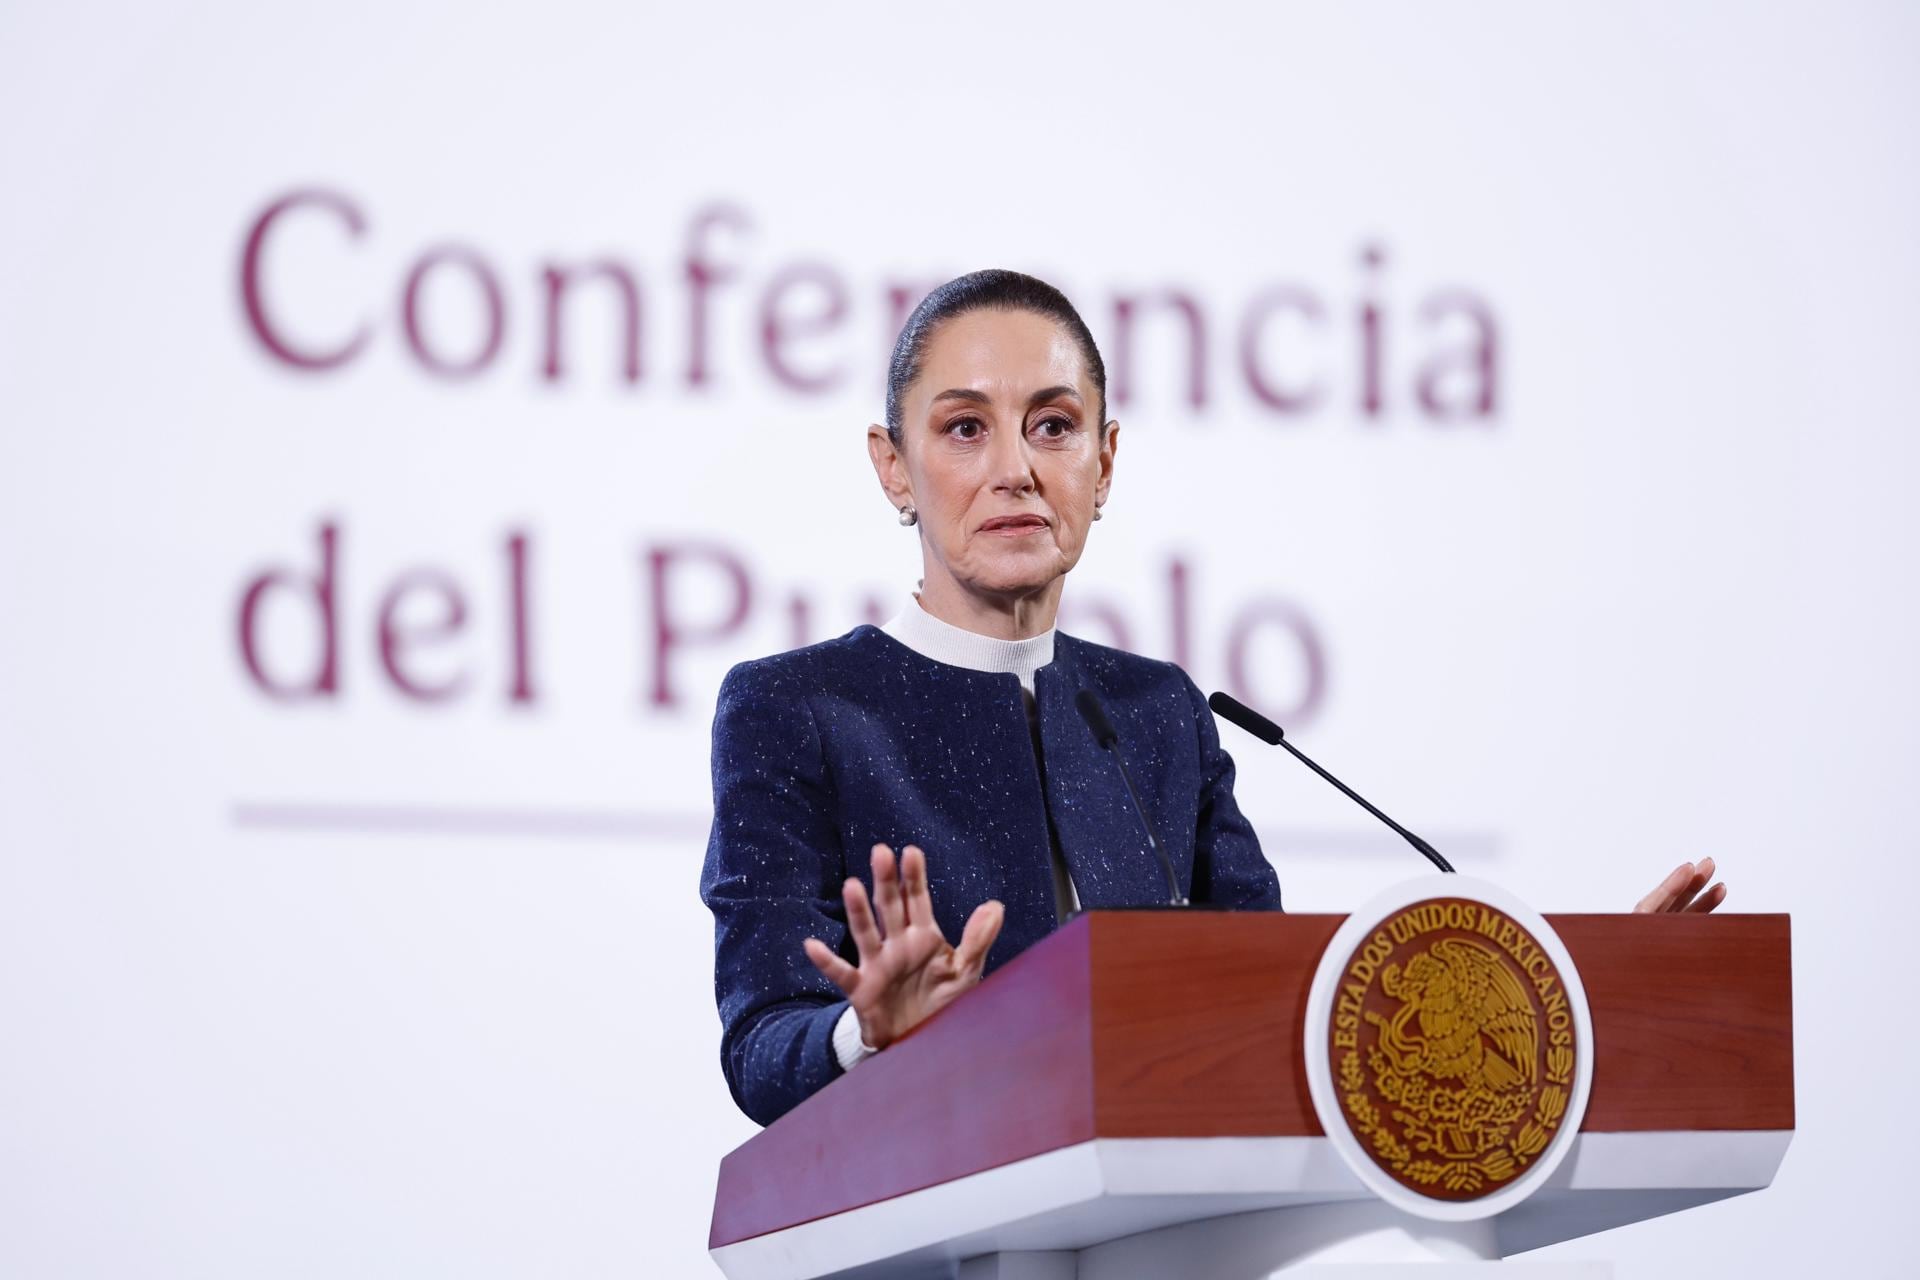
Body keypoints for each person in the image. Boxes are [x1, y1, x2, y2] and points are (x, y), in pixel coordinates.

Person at [698, 269, 1728, 1127]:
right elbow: (759, 1046)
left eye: (1053, 426)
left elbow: (1280, 1005)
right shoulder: (797, 706)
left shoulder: (1155, 710)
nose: (1014, 468)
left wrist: (1557, 997)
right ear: (894, 468)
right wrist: (865, 1029)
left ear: (1104, 462)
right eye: (964, 429)